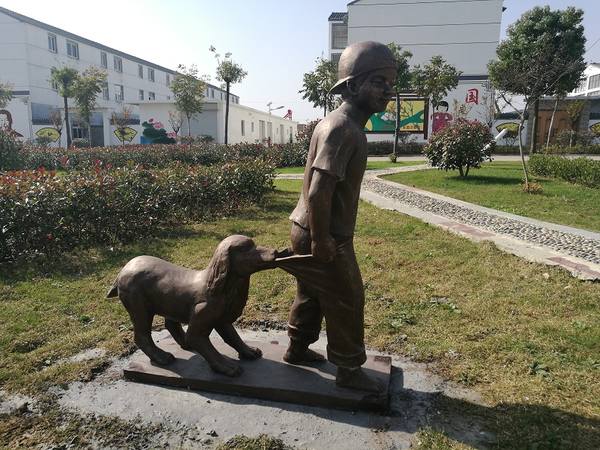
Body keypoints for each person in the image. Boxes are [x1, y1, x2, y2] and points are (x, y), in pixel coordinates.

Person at [284, 41, 397, 392]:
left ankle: (297, 348)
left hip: (307, 226)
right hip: (324, 231)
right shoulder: (343, 128)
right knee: (347, 297)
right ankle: (348, 369)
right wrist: (322, 240)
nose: (387, 91)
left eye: (389, 83)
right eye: (378, 82)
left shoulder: (335, 123)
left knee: (311, 292)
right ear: (351, 85)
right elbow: (319, 191)